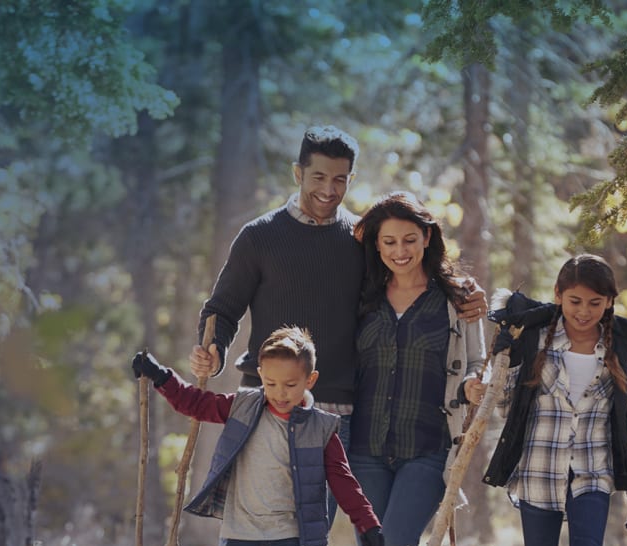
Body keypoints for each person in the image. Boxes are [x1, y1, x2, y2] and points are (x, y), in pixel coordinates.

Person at [187, 125, 488, 517]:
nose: (329, 189)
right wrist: (214, 350)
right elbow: (222, 310)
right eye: (318, 177)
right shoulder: (259, 237)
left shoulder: (360, 240)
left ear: (351, 179)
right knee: (253, 523)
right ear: (298, 174)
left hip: (336, 414)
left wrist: (461, 292)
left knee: (312, 532)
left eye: (339, 179)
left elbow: (404, 281)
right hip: (266, 402)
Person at [133, 327, 384, 546]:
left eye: (290, 385)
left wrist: (367, 523)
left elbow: (343, 480)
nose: (280, 393)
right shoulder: (242, 406)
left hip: (290, 542)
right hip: (240, 538)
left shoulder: (321, 428)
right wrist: (159, 375)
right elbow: (195, 403)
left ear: (309, 380)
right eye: (271, 383)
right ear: (261, 374)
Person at [472, 254, 627, 546]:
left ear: (610, 301)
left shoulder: (618, 350)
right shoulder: (535, 340)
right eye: (575, 301)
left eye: (595, 303)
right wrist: (504, 363)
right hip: (539, 471)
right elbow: (506, 409)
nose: (584, 311)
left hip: (593, 473)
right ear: (558, 295)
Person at [336, 192, 487, 546]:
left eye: (409, 239)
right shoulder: (362, 297)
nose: (400, 251)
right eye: (389, 242)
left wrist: (474, 384)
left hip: (427, 446)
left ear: (426, 237)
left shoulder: (456, 299)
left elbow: (476, 360)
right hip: (365, 447)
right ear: (377, 245)